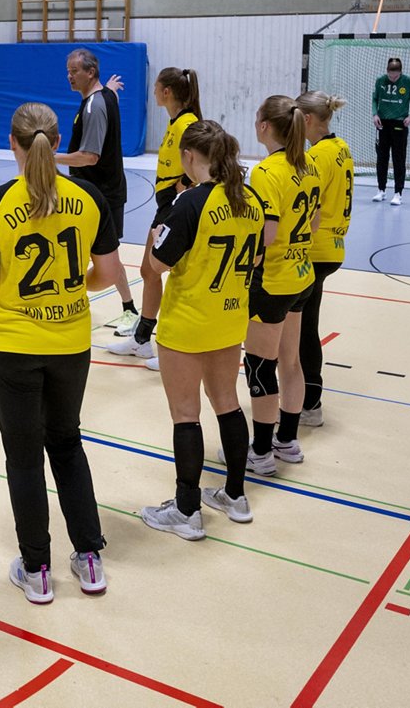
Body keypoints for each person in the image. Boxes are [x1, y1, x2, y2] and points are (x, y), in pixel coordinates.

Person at [0, 102, 120, 604]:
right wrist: (75, 286)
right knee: (67, 443)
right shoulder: (88, 197)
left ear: (13, 143)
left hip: (12, 344)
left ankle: (37, 570)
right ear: (56, 144)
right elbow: (109, 273)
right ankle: (90, 558)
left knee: (24, 456)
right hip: (71, 340)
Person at [137, 121, 264, 540]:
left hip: (188, 321)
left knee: (186, 414)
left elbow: (159, 265)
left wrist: (157, 235)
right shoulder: (250, 198)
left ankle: (187, 510)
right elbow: (259, 256)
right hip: (229, 317)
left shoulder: (191, 203)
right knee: (227, 402)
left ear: (190, 157)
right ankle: (235, 496)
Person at [239, 95, 321, 475]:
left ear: (266, 127)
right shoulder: (308, 167)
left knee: (259, 366)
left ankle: (259, 452)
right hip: (303, 274)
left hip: (271, 280)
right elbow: (315, 224)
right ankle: (286, 441)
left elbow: (267, 234)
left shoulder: (265, 172)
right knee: (290, 361)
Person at [106, 67, 201, 369]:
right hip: (165, 203)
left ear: (167, 92)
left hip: (176, 204)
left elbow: (200, 165)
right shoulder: (176, 122)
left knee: (165, 270)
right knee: (149, 270)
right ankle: (143, 339)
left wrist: (182, 189)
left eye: (156, 87)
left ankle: (176, 343)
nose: (154, 92)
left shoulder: (189, 123)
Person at [52, 48, 138, 332]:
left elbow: (90, 156)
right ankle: (81, 300)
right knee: (87, 253)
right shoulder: (104, 97)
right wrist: (111, 87)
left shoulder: (94, 106)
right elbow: (110, 93)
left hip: (101, 195)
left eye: (74, 71)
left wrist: (49, 157)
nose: (69, 76)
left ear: (90, 72)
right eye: (67, 71)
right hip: (98, 192)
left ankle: (129, 310)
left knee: (104, 257)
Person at [296, 91, 353, 428]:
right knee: (306, 327)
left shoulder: (316, 157)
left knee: (303, 331)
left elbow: (309, 208)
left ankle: (309, 403)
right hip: (334, 246)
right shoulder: (342, 148)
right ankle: (306, 399)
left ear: (306, 120)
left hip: (314, 250)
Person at [372, 56, 410, 206]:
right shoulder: (380, 80)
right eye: (390, 75)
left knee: (398, 159)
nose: (392, 78)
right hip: (383, 123)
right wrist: (375, 114)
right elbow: (375, 98)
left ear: (400, 72)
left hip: (400, 123)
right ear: (387, 71)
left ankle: (398, 193)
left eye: (395, 76)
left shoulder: (409, 81)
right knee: (382, 158)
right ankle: (381, 190)